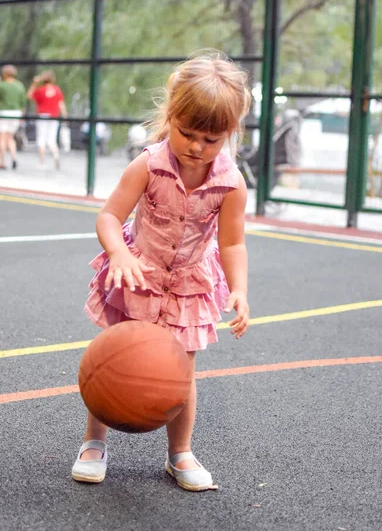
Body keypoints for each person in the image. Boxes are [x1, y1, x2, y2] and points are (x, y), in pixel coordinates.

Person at [72, 51, 251, 491]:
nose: (196, 146)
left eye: (211, 140)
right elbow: (109, 217)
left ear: (230, 133)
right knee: (114, 360)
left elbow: (232, 242)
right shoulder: (149, 164)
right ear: (169, 114)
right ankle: (94, 443)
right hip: (139, 276)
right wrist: (120, 254)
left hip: (189, 283)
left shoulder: (231, 183)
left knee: (181, 372)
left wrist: (240, 290)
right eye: (187, 133)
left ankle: (180, 452)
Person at [27, 70, 67, 169]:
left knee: (41, 138)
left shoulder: (41, 90)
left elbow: (29, 95)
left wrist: (34, 83)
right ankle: (56, 156)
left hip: (42, 115)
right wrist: (65, 115)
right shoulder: (57, 90)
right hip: (54, 116)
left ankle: (42, 162)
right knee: (51, 139)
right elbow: (61, 104)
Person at [0, 65, 26, 170]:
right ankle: (14, 157)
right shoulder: (19, 85)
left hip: (3, 113)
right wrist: (22, 115)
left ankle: (3, 162)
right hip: (16, 113)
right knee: (10, 137)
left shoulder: (2, 85)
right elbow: (23, 103)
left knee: (2, 138)